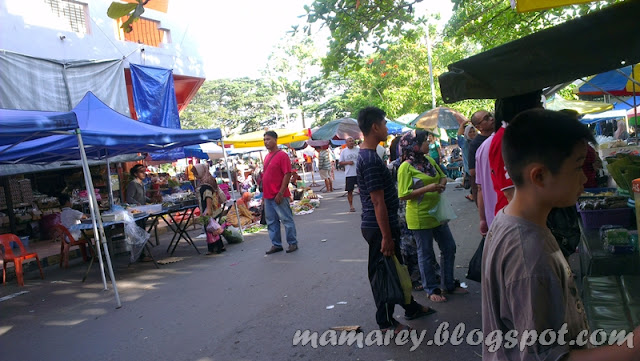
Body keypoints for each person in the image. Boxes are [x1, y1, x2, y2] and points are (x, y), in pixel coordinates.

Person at [482, 109, 640, 360]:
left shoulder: (510, 218)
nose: (585, 177)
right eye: (578, 166)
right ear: (540, 176)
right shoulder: (529, 256)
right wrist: (632, 347)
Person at [357, 107, 435, 334]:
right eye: (383, 124)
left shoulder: (371, 155)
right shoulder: (370, 159)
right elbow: (377, 202)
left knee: (395, 268)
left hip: (381, 224)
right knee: (384, 274)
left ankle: (410, 307)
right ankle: (386, 323)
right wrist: (387, 237)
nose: (386, 128)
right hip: (379, 226)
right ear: (374, 127)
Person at [397, 130, 467, 302]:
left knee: (449, 247)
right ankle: (431, 289)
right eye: (425, 142)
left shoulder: (428, 161)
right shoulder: (406, 167)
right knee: (426, 253)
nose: (429, 144)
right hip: (419, 216)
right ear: (414, 146)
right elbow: (403, 194)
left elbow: (442, 176)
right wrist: (428, 189)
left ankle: (448, 284)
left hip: (437, 213)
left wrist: (441, 184)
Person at [489, 91, 543, 215]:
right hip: (520, 217)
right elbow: (510, 192)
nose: (542, 108)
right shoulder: (504, 139)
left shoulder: (521, 135)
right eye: (538, 102)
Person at [263, 131, 299, 254]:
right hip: (268, 195)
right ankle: (276, 244)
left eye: (268, 139)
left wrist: (280, 192)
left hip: (279, 195)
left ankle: (292, 242)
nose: (266, 142)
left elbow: (287, 174)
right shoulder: (267, 156)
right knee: (271, 221)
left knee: (286, 219)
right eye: (265, 140)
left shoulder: (282, 155)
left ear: (275, 140)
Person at [193, 163, 226, 254]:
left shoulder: (205, 184)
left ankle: (215, 248)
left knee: (210, 228)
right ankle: (219, 246)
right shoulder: (210, 179)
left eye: (196, 173)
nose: (195, 176)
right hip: (215, 207)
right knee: (213, 227)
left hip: (209, 208)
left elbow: (208, 196)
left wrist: (207, 209)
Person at [468, 110, 495, 204]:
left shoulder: (500, 135)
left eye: (490, 116)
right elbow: (472, 171)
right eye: (486, 119)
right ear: (478, 127)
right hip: (488, 187)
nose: (491, 119)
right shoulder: (475, 144)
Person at [339, 137, 360, 212]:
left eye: (352, 141)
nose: (351, 142)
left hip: (359, 173)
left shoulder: (358, 149)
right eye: (349, 141)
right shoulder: (344, 151)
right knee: (350, 191)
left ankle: (365, 204)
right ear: (346, 143)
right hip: (349, 174)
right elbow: (340, 162)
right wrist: (348, 162)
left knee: (363, 190)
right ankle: (351, 206)